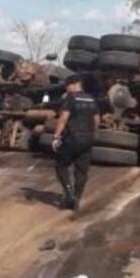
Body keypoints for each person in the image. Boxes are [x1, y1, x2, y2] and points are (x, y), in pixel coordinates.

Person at [52, 75, 100, 211]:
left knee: (61, 165)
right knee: (81, 171)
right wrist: (91, 133)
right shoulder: (91, 99)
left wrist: (56, 136)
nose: (66, 89)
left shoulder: (70, 99)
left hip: (71, 139)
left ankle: (69, 193)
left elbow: (63, 119)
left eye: (67, 86)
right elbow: (97, 120)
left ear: (73, 85)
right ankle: (77, 199)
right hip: (87, 140)